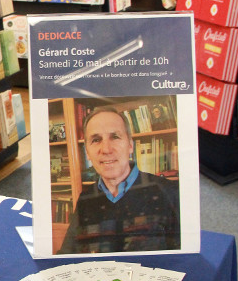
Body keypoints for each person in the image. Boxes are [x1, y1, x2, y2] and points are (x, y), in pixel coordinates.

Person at [58, 106, 180, 254]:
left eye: (115, 137)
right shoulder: (85, 198)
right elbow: (66, 256)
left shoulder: (169, 191)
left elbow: (185, 259)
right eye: (96, 140)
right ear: (87, 152)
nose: (106, 149)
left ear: (130, 145)